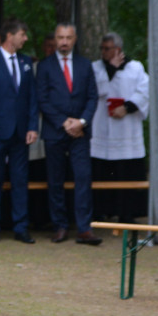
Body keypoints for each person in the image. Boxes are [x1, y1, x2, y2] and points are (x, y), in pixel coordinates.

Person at [36, 23, 101, 245]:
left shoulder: (85, 65)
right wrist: (64, 123)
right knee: (55, 180)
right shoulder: (44, 66)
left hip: (80, 132)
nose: (64, 41)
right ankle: (60, 226)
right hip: (55, 131)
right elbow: (42, 99)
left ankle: (84, 228)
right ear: (55, 39)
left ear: (75, 39)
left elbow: (93, 97)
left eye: (68, 37)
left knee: (83, 178)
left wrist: (81, 122)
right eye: (60, 37)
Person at [0, 20, 39, 244]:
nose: (25, 39)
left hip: (21, 132)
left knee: (20, 180)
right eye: (22, 35)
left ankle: (21, 226)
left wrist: (33, 126)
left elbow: (32, 97)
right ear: (10, 36)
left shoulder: (25, 61)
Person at [90, 32, 150, 223]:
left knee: (127, 174)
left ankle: (128, 213)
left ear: (118, 49)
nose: (103, 52)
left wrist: (127, 107)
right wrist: (111, 70)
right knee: (102, 174)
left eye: (107, 49)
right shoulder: (96, 68)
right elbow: (95, 90)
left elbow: (145, 91)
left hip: (127, 127)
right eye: (102, 48)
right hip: (102, 128)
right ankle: (103, 211)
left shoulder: (135, 67)